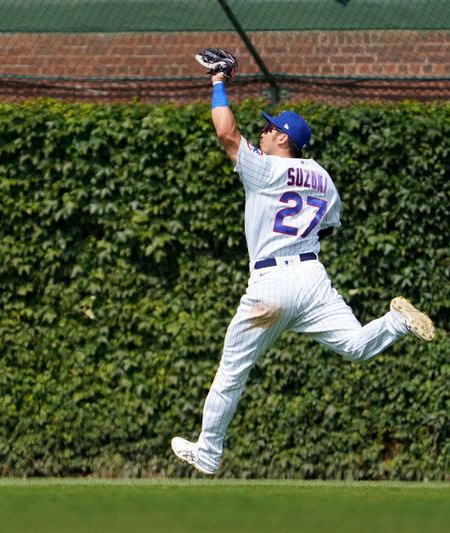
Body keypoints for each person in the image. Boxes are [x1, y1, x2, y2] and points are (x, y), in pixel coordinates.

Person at [170, 68, 435, 476]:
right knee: (355, 345)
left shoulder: (266, 169)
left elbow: (225, 132)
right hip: (312, 278)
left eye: (270, 128)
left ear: (283, 140)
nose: (262, 131)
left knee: (232, 371)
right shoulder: (323, 177)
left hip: (271, 283)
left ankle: (208, 451)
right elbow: (327, 224)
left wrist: (218, 81)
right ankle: (396, 323)